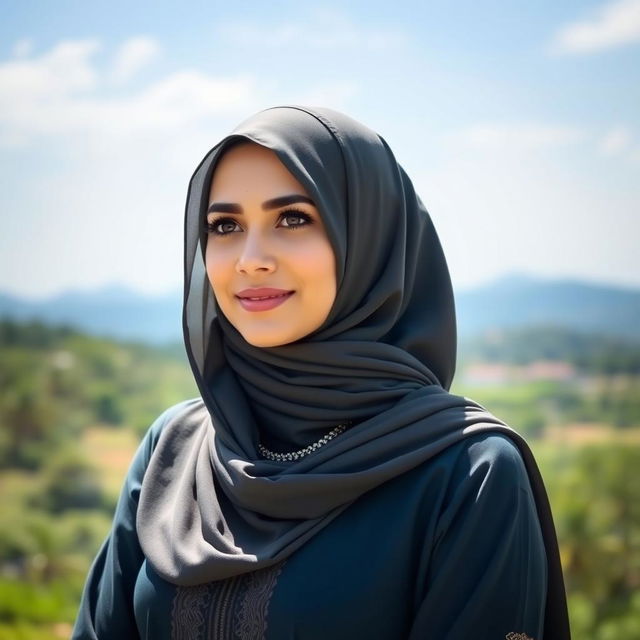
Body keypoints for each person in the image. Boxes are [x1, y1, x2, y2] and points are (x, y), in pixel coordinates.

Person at [72, 106, 571, 639]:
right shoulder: (174, 449)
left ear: (369, 239)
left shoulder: (466, 473)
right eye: (225, 226)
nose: (250, 258)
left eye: (293, 218)